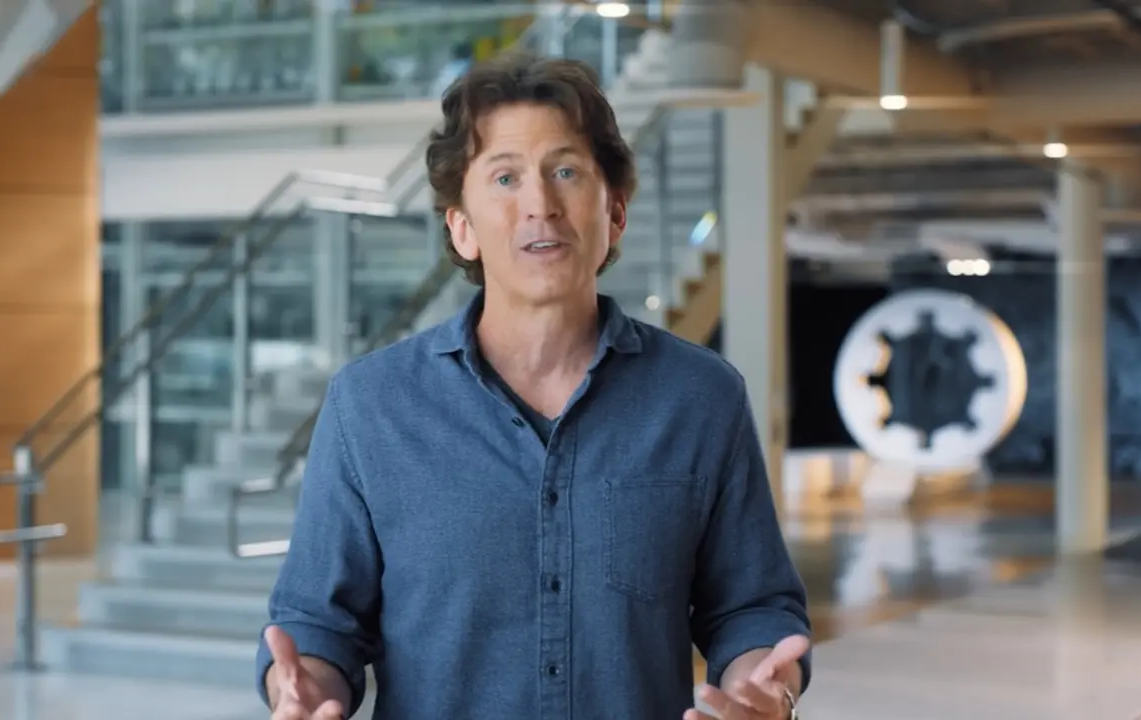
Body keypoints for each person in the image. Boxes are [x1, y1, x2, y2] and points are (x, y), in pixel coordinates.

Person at [256, 52, 812, 720]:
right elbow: (319, 627)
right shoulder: (370, 406)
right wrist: (303, 692)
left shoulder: (701, 397)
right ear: (462, 228)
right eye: (505, 177)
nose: (540, 205)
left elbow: (751, 609)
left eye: (566, 171)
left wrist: (767, 689)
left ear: (615, 213)